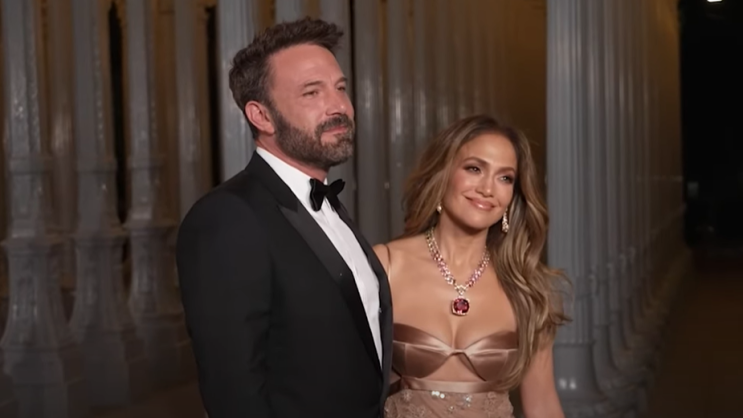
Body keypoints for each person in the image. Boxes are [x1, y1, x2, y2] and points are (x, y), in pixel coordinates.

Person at [176, 18, 392, 418]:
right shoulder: (227, 218)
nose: (339, 106)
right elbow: (234, 393)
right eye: (312, 92)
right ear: (262, 116)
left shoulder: (327, 203)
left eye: (340, 88)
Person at [374, 115, 569, 418]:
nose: (488, 189)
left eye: (505, 178)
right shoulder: (386, 265)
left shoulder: (527, 288)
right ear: (443, 173)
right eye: (474, 169)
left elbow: (542, 405)